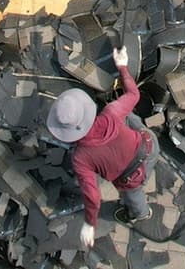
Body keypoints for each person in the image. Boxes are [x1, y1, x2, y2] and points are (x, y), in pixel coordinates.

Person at [50, 45, 154, 250]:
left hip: (132, 175)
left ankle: (142, 215)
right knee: (128, 116)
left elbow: (93, 196)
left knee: (133, 197)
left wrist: (90, 224)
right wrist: (123, 66)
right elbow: (133, 95)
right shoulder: (110, 112)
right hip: (149, 144)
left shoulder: (80, 159)